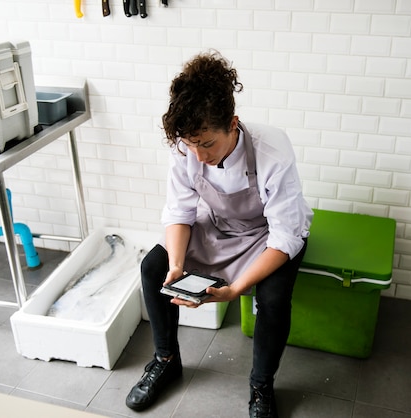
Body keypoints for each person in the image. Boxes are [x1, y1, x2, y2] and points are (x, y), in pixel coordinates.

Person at [125, 50, 313, 418]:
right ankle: (165, 360)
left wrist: (237, 289)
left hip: (268, 234)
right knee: (154, 267)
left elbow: (285, 236)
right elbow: (180, 211)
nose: (197, 155)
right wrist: (177, 265)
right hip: (218, 225)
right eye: (190, 145)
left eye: (207, 144)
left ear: (233, 123)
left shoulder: (272, 150)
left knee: (273, 300)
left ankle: (261, 385)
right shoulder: (186, 147)